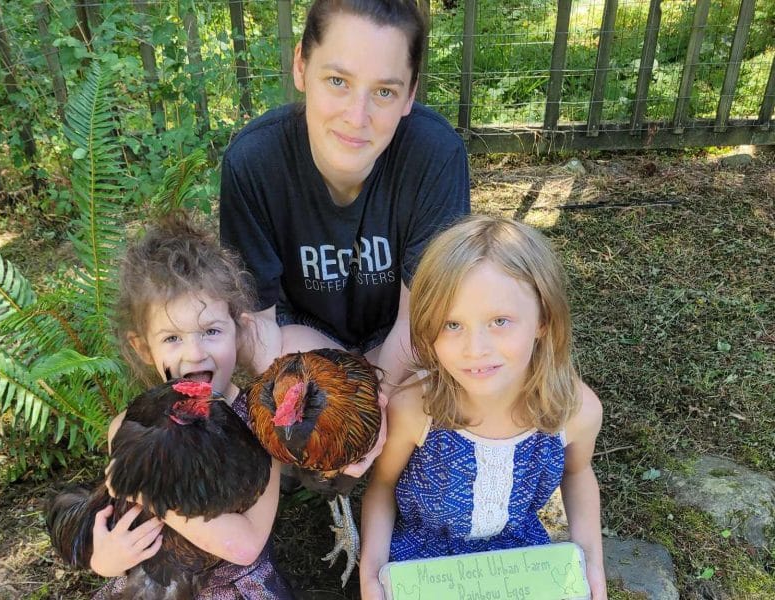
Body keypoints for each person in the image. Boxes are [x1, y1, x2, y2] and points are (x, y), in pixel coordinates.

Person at [219, 0, 471, 400]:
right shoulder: (253, 163)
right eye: (338, 81)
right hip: (297, 340)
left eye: (385, 91)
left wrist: (372, 402)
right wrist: (333, 401)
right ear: (301, 65)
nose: (357, 116)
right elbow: (256, 322)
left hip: (403, 347)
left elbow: (422, 319)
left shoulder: (435, 156)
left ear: (410, 94)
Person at [359, 215, 608, 600]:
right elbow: (383, 485)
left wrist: (591, 563)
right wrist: (371, 575)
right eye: (452, 324)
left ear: (543, 319)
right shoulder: (415, 410)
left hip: (520, 561)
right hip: (424, 565)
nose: (475, 349)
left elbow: (577, 474)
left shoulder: (575, 412)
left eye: (500, 321)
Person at [90, 213, 294, 599]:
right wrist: (104, 561)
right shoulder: (130, 428)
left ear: (240, 330)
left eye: (211, 331)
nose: (194, 353)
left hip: (235, 585)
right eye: (171, 338)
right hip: (157, 583)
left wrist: (147, 491)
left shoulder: (263, 424)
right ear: (142, 348)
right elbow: (118, 534)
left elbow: (246, 545)